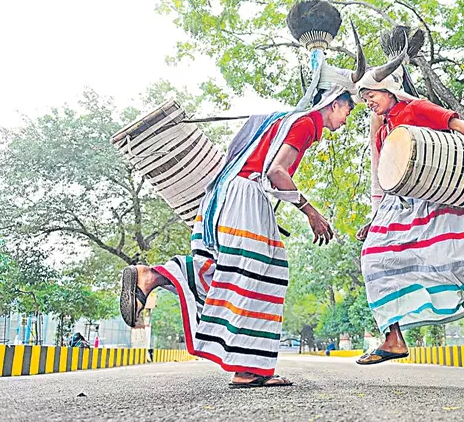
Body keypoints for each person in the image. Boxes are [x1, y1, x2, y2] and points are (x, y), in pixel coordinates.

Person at [119, 87, 354, 387]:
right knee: (261, 274)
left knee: (233, 273)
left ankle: (154, 278)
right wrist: (310, 211)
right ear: (334, 104)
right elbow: (276, 171)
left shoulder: (291, 121)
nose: (347, 119)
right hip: (245, 195)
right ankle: (247, 367)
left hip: (231, 195)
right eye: (348, 109)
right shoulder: (306, 123)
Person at [353, 51, 464, 365]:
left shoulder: (416, 107)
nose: (367, 102)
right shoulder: (381, 128)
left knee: (448, 257)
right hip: (396, 203)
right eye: (363, 97)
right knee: (373, 258)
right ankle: (393, 338)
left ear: (389, 90)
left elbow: (454, 122)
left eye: (370, 95)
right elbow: (379, 174)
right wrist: (374, 216)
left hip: (435, 194)